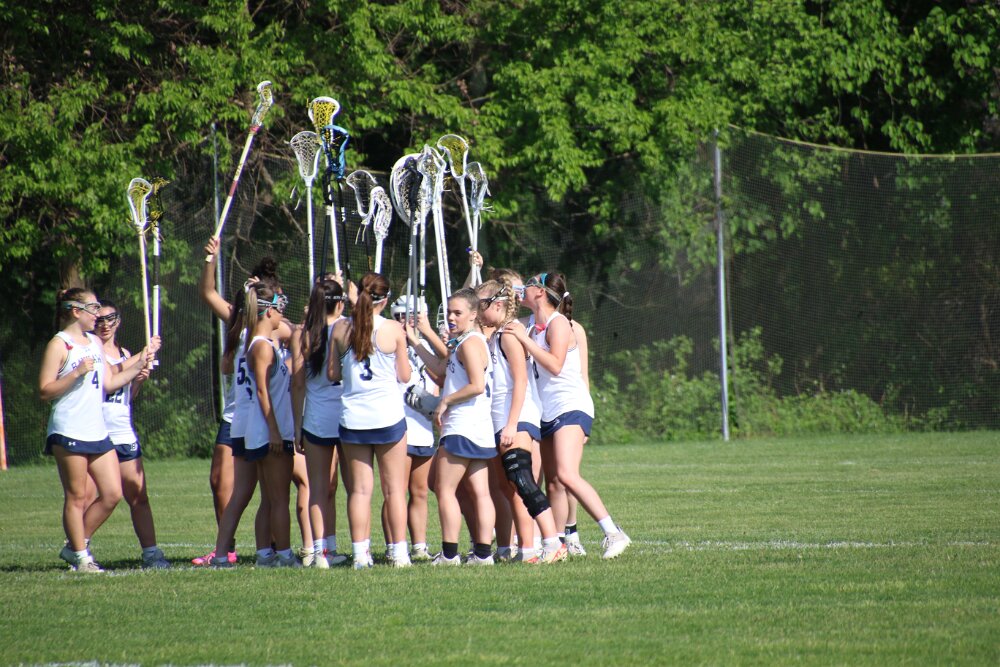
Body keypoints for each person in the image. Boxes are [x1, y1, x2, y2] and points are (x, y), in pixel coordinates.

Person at [504, 272, 631, 559]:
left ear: (540, 292)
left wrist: (524, 341)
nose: (524, 290)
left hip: (570, 406)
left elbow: (555, 365)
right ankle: (558, 545)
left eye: (530, 285)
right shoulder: (531, 325)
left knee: (566, 474)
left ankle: (614, 532)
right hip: (548, 411)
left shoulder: (558, 323)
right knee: (553, 483)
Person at [40, 288, 156, 572]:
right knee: (77, 496)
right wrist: (76, 372)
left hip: (97, 431)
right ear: (75, 311)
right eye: (93, 309)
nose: (98, 315)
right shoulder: (60, 344)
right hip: (69, 428)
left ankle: (73, 547)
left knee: (112, 493)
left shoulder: (93, 342)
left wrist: (141, 364)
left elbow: (109, 383)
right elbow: (45, 390)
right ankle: (81, 557)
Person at [476, 280, 567, 564]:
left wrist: (511, 424)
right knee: (509, 487)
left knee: (522, 479)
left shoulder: (509, 334)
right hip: (499, 417)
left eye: (480, 305)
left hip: (516, 416)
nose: (477, 311)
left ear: (498, 305)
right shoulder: (495, 335)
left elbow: (521, 381)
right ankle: (527, 550)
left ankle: (553, 543)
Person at [327, 273, 411, 569]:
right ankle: (399, 553)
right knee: (394, 490)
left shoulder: (340, 329)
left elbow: (332, 374)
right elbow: (405, 375)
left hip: (354, 419)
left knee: (360, 491)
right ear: (384, 300)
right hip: (388, 418)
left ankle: (360, 555)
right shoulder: (393, 329)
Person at [409, 288, 496, 566]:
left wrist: (445, 401)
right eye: (449, 312)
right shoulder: (463, 342)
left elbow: (477, 385)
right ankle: (483, 555)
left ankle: (449, 554)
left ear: (473, 315)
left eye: (458, 313)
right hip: (478, 428)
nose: (451, 317)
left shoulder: (470, 343)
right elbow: (439, 368)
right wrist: (414, 340)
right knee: (479, 492)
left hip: (463, 426)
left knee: (443, 488)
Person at [218, 279, 300, 567]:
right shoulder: (262, 346)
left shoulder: (257, 343)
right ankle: (285, 555)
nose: (282, 316)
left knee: (267, 497)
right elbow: (263, 392)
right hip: (267, 430)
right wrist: (275, 431)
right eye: (279, 309)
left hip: (257, 427)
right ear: (269, 311)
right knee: (279, 499)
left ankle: (264, 553)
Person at [92, 299, 170, 568]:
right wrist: (143, 355)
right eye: (99, 320)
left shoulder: (124, 353)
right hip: (97, 434)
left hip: (123, 432)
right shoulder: (92, 350)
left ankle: (151, 552)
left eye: (110, 319)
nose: (105, 325)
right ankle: (78, 548)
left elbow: (125, 396)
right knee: (92, 497)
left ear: (118, 321)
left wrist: (139, 380)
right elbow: (109, 379)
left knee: (138, 496)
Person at [292, 276, 350, 568]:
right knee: (347, 488)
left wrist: (297, 427)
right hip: (347, 418)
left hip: (315, 419)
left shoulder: (303, 334)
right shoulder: (347, 329)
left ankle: (321, 552)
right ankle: (343, 549)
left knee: (318, 488)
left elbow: (298, 385)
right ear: (339, 304)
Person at [389, 297, 438, 562]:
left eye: (411, 318)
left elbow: (439, 375)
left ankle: (419, 546)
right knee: (396, 491)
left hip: (423, 426)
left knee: (420, 491)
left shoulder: (424, 346)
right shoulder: (388, 345)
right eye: (400, 318)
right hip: (399, 425)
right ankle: (393, 545)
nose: (405, 323)